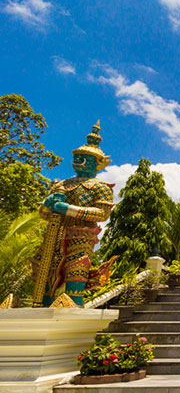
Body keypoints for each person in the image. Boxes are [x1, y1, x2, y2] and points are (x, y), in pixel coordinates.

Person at [31, 122, 114, 307]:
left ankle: (73, 306)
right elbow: (45, 213)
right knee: (46, 274)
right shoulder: (62, 185)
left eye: (84, 158)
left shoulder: (100, 187)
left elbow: (102, 213)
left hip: (82, 236)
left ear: (96, 163)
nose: (78, 161)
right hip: (56, 234)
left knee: (76, 273)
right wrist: (47, 204)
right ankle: (43, 306)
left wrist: (68, 209)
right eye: (77, 157)